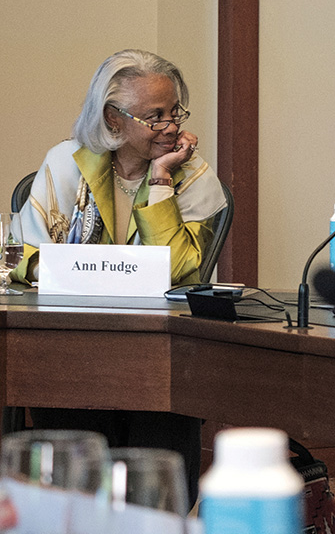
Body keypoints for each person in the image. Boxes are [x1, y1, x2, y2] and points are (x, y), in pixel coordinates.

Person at [13, 49, 227, 504]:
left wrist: (162, 179)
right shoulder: (65, 163)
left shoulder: (194, 176)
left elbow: (183, 273)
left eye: (175, 112)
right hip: (70, 347)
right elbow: (18, 257)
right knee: (72, 488)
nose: (171, 126)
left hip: (160, 352)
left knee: (155, 488)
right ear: (113, 118)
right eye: (155, 117)